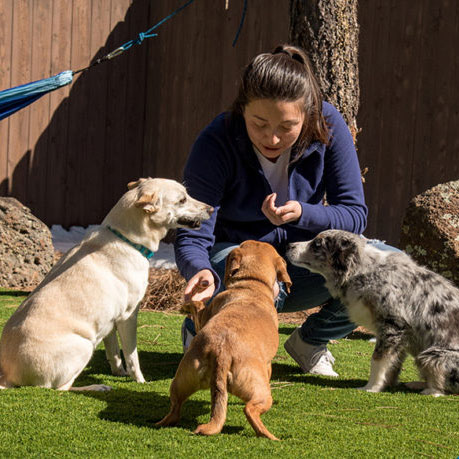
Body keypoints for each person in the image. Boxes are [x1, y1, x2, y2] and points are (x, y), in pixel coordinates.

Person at [174, 44, 393, 377]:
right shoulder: (217, 140)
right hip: (235, 261)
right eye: (259, 124)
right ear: (242, 109)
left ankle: (310, 341)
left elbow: (354, 215)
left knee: (385, 269)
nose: (272, 138)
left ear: (307, 114)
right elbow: (193, 228)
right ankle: (208, 330)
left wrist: (304, 214)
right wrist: (198, 269)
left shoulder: (329, 125)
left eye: (286, 126)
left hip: (300, 261)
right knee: (260, 269)